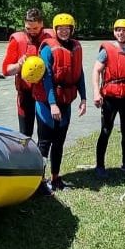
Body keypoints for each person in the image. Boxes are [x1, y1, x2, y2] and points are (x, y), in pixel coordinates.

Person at [36, 13, 86, 192]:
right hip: (47, 103)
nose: (64, 31)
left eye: (67, 29)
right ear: (55, 30)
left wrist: (83, 98)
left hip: (65, 101)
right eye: (60, 29)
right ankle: (39, 182)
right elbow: (46, 77)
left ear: (72, 30)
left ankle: (56, 178)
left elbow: (79, 73)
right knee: (44, 143)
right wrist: (52, 104)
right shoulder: (48, 49)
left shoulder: (75, 47)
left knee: (59, 142)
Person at [92, 19, 125, 178]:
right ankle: (100, 165)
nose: (121, 33)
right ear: (114, 32)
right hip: (110, 97)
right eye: (118, 30)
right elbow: (96, 71)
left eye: (124, 30)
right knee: (106, 130)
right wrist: (96, 92)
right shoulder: (106, 50)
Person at [1, 7, 56, 138]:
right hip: (25, 94)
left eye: (35, 28)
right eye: (28, 28)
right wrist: (19, 65)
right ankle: (25, 151)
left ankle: (42, 152)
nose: (31, 32)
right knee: (25, 135)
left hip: (46, 92)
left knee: (46, 134)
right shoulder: (17, 40)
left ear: (42, 24)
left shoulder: (52, 38)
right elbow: (6, 70)